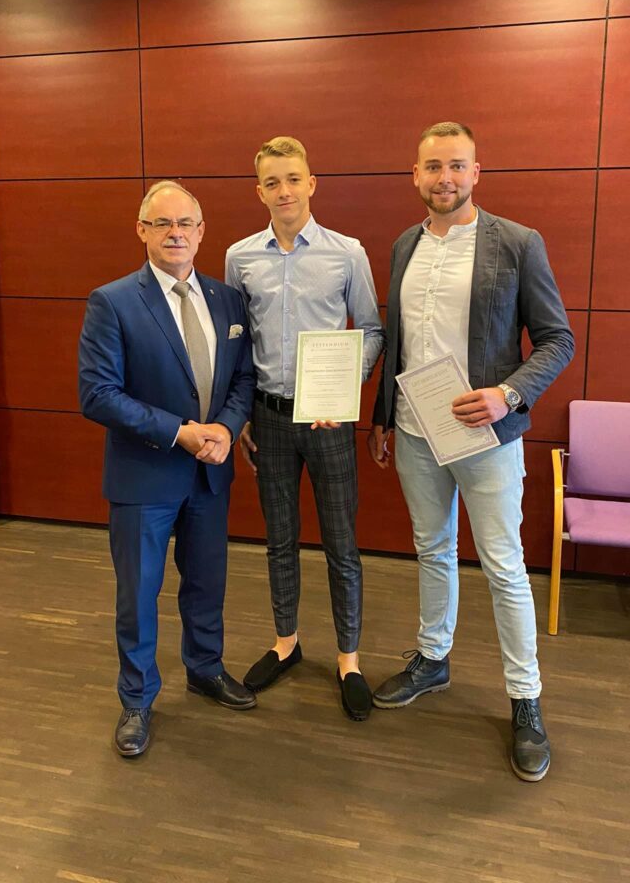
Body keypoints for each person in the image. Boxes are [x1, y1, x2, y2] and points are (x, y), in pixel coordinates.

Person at [368, 122, 574, 781]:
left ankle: (526, 699)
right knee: (432, 549)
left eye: (457, 166)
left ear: (476, 173)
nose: (445, 178)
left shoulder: (517, 243)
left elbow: (557, 340)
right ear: (416, 175)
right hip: (415, 431)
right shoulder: (403, 245)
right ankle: (433, 659)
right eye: (433, 167)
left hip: (486, 436)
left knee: (504, 566)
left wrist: (507, 395)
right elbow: (398, 342)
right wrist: (381, 419)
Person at [79, 180, 257, 758]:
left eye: (185, 223)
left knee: (207, 582)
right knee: (139, 594)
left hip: (210, 472)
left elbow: (243, 378)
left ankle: (205, 669)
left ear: (202, 232)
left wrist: (226, 428)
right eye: (162, 223)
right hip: (145, 475)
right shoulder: (113, 301)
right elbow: (97, 394)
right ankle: (136, 700)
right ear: (142, 231)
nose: (175, 233)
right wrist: (180, 431)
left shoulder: (227, 300)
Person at [225, 136, 385, 720]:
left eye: (293, 179)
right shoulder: (240, 257)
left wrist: (343, 389)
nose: (284, 190)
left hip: (328, 421)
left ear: (311, 183)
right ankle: (286, 642)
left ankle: (349, 659)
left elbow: (373, 330)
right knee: (280, 538)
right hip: (268, 417)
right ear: (260, 191)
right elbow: (237, 343)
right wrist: (240, 414)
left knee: (341, 543)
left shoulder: (347, 253)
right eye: (273, 182)